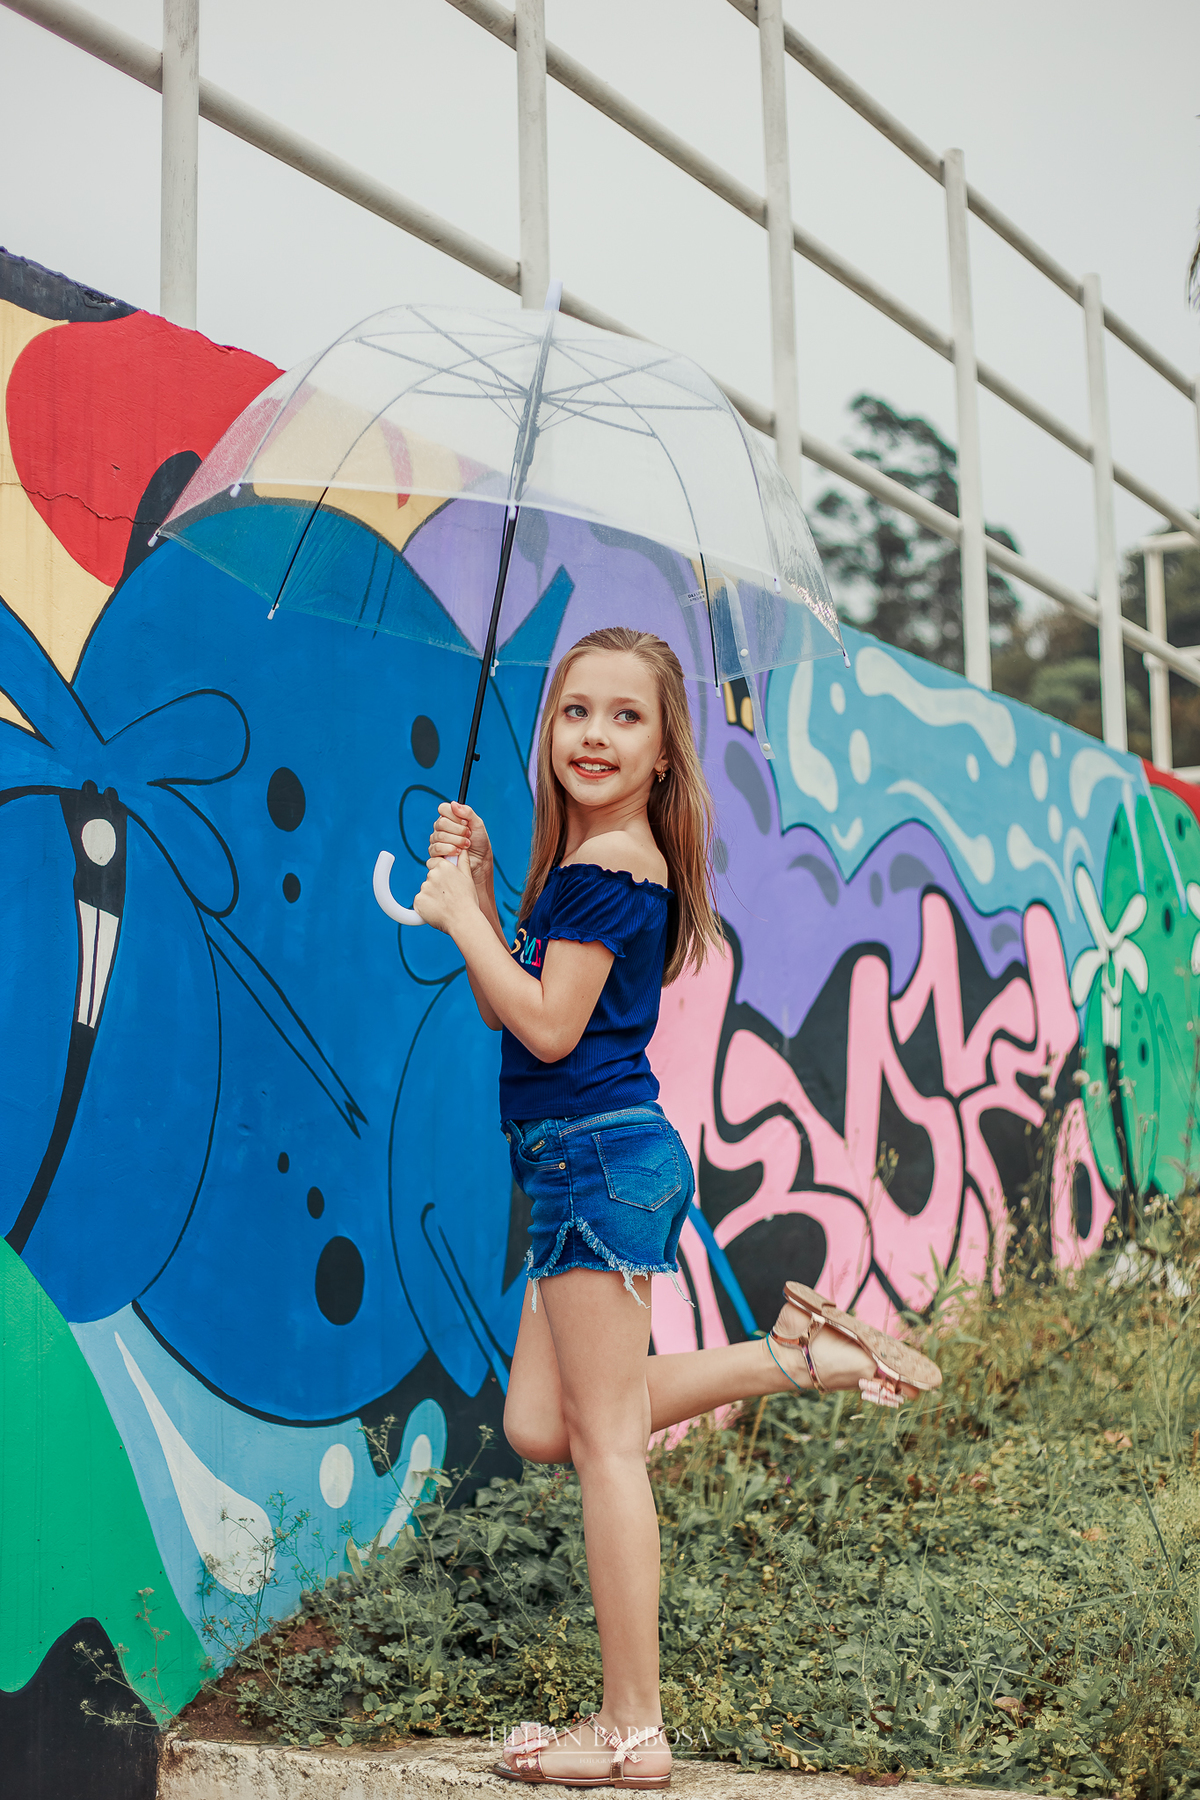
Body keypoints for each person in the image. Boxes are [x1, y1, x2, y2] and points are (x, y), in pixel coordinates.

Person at [414, 627, 941, 1790]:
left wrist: (457, 914)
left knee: (606, 1447)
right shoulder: (593, 861)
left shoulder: (616, 866)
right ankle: (798, 1356)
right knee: (544, 1426)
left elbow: (545, 1028)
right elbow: (539, 1009)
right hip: (574, 1162)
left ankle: (633, 1730)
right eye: (573, 713)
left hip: (596, 1163)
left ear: (663, 752)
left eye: (624, 717)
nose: (593, 735)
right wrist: (492, 893)